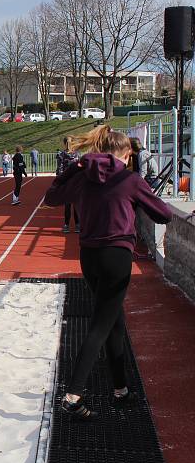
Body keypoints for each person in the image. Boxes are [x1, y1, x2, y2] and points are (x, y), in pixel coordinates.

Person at [44, 125, 172, 419]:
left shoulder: (82, 177)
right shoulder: (129, 180)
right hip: (116, 256)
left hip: (89, 256)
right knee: (101, 324)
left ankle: (120, 389)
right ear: (126, 154)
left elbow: (52, 196)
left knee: (113, 320)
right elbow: (163, 214)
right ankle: (73, 396)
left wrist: (74, 167)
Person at [56, 136, 80, 233]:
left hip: (66, 182)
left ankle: (66, 225)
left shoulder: (61, 154)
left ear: (64, 143)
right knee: (76, 204)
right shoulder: (77, 154)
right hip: (76, 182)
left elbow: (59, 169)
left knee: (67, 205)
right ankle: (78, 225)